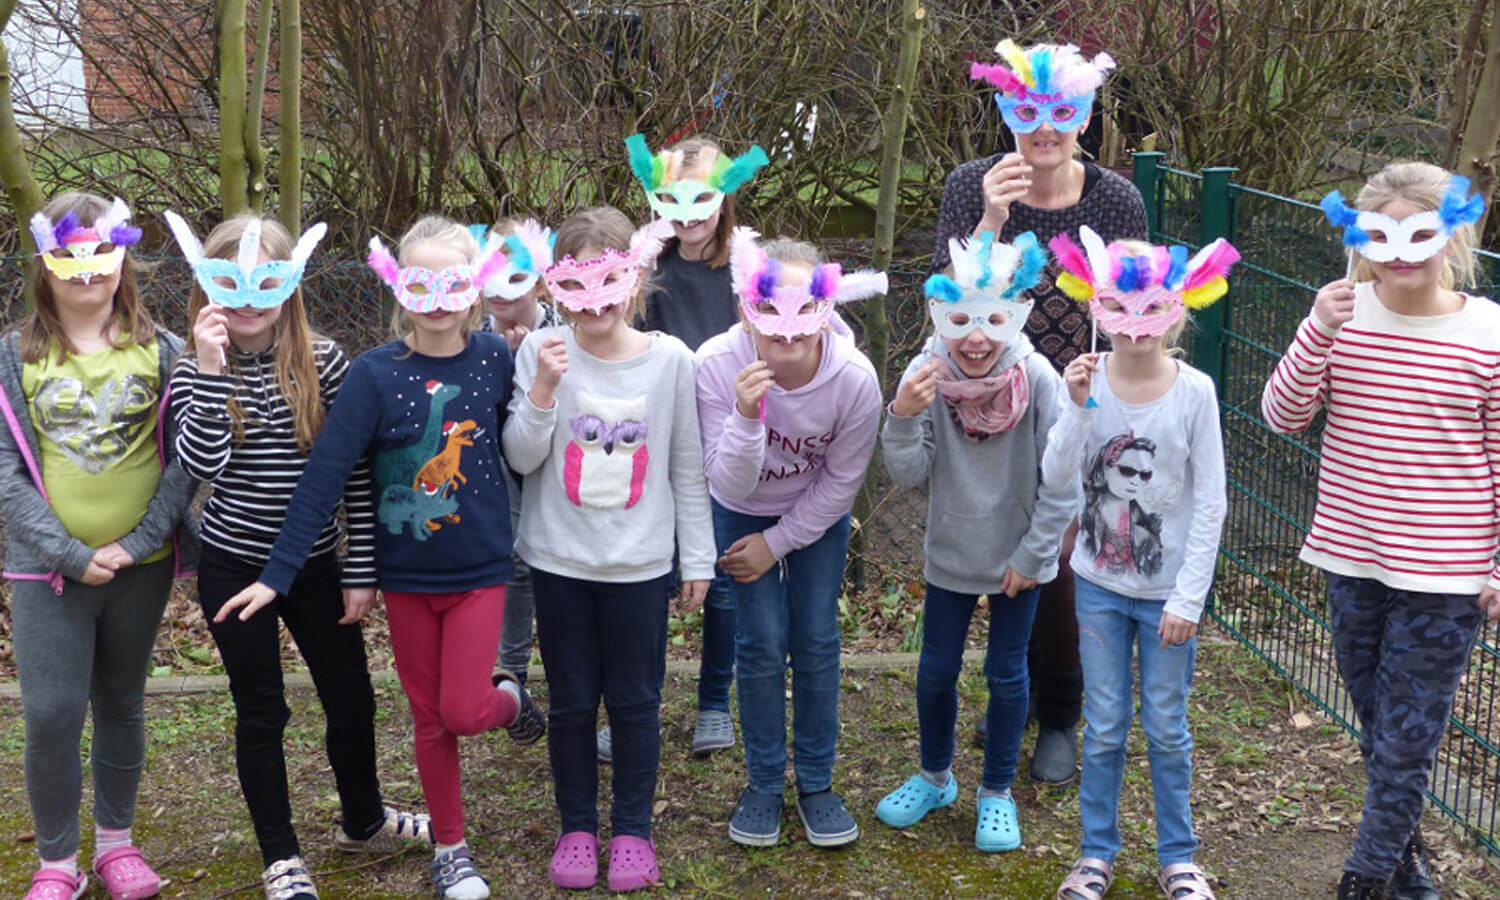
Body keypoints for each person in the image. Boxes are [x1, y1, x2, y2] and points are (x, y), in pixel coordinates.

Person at [217, 216, 545, 900]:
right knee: (430, 717)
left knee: (462, 707)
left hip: (482, 573)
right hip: (406, 581)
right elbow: (327, 478)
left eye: (453, 281)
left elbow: (533, 445)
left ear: (475, 285)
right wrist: (277, 576)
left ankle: (509, 700)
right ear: (399, 285)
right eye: (420, 281)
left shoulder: (495, 358)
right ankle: (451, 850)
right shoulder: (373, 374)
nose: (438, 297)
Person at [164, 212, 432, 900]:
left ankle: (364, 820)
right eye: (231, 284)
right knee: (262, 710)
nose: (249, 300)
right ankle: (280, 855)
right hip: (233, 564)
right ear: (205, 285)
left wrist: (362, 569)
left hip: (316, 566)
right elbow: (198, 465)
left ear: (292, 286)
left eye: (266, 284)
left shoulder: (328, 359)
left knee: (351, 698)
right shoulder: (195, 365)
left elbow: (357, 475)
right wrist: (211, 370)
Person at [1262, 163, 1500, 900]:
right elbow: (1283, 414)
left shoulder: (1487, 333)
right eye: (1382, 234)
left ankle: (1364, 880)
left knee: (1406, 736)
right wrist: (1318, 328)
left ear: (1452, 234)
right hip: (1352, 558)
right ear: (1359, 236)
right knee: (1379, 726)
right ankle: (1406, 861)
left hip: (1447, 576)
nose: (1401, 252)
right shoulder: (1343, 316)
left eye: (1420, 233)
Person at [936, 38, 1147, 779]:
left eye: (1062, 112)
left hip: (1083, 402)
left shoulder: (1115, 198)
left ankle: (1060, 711)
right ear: (1007, 112)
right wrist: (991, 220)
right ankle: (1017, 695)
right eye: (1029, 112)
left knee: (1058, 557)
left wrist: (1112, 385)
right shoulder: (972, 185)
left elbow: (1134, 304)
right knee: (1007, 550)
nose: (1046, 128)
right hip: (996, 400)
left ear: (1085, 116)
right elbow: (949, 297)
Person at [504, 207, 714, 891]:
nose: (593, 302)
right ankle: (576, 827)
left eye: (609, 280)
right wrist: (541, 392)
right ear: (553, 288)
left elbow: (687, 465)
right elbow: (522, 456)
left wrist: (700, 558)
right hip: (558, 561)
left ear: (636, 278)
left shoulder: (672, 362)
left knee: (634, 701)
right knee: (569, 702)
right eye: (576, 285)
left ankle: (631, 831)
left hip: (640, 565)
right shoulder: (542, 351)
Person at [4, 194, 197, 900]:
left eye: (99, 254)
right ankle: (58, 860)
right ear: (44, 263)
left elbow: (187, 458)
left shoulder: (166, 350)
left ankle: (116, 843)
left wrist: (140, 541)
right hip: (45, 572)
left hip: (139, 566)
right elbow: (5, 469)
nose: (85, 271)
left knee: (121, 701)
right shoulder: (9, 357)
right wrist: (68, 554)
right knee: (52, 711)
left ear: (122, 256)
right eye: (68, 256)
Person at [1044, 227, 1235, 900]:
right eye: (1119, 310)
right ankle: (1096, 854)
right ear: (1096, 307)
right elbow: (1057, 471)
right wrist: (1072, 408)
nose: (1135, 326)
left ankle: (1178, 858)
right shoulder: (1088, 384)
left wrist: (1187, 599)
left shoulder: (1195, 393)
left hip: (1164, 598)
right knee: (1103, 726)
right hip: (1098, 588)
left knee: (1166, 727)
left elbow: (1211, 501)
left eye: (1152, 309)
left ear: (1178, 307)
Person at [876, 231, 1075, 852]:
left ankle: (995, 791)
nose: (977, 338)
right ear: (941, 313)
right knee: (935, 672)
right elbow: (908, 474)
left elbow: (1061, 479)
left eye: (994, 320)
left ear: (1017, 314)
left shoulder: (1038, 377)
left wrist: (1036, 556)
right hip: (951, 555)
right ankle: (936, 776)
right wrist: (903, 414)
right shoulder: (925, 373)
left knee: (1008, 674)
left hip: (1018, 558)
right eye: (960, 321)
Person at [696, 227, 884, 849]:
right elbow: (727, 477)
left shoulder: (855, 380)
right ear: (745, 307)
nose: (787, 337)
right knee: (759, 643)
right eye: (769, 317)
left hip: (812, 515)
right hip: (739, 507)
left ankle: (817, 782)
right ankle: (764, 783)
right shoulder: (715, 365)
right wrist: (749, 416)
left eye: (805, 318)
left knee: (815, 638)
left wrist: (778, 543)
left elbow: (841, 484)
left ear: (827, 309)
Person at [589, 133, 768, 761]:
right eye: (673, 199)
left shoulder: (748, 269)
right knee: (651, 580)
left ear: (726, 196)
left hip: (725, 441)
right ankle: (641, 704)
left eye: (702, 199)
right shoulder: (645, 268)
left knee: (720, 578)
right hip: (655, 442)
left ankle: (715, 703)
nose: (689, 216)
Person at [473, 217, 559, 686]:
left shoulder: (562, 329)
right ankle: (511, 669)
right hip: (495, 466)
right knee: (514, 561)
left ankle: (564, 660)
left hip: (554, 460)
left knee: (552, 564)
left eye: (517, 278)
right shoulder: (471, 337)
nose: (503, 292)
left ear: (541, 280)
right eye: (492, 277)